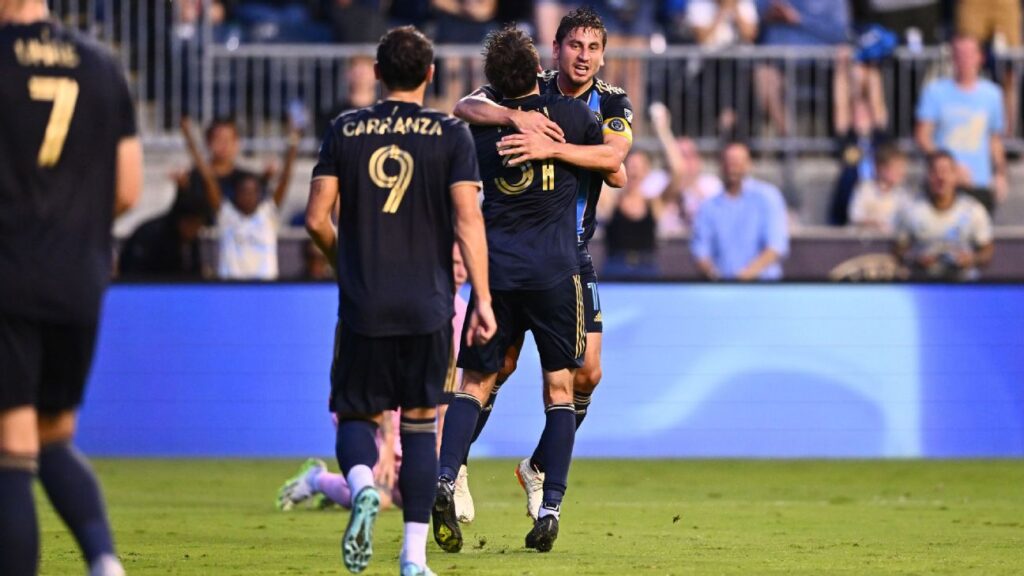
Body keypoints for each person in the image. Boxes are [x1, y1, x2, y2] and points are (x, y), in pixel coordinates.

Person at [304, 25, 494, 576]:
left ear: (377, 73)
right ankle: (413, 558)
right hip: (428, 305)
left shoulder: (345, 129)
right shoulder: (451, 134)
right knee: (419, 424)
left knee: (357, 413)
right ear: (430, 75)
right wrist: (482, 298)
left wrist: (346, 261)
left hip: (365, 302)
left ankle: (363, 485)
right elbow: (468, 220)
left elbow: (316, 219)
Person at [450, 5, 632, 522]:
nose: (584, 56)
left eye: (593, 48)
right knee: (499, 365)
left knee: (588, 374)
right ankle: (454, 467)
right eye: (575, 46)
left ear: (603, 55)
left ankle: (537, 467)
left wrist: (550, 147)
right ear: (556, 49)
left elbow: (614, 159)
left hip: (572, 252)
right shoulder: (531, 87)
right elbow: (465, 106)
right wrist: (515, 118)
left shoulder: (612, 101)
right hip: (518, 252)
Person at [0, 1, 143, 574]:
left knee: (12, 444)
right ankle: (104, 561)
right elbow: (129, 188)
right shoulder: (102, 66)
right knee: (53, 433)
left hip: (10, 272)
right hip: (78, 278)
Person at [276, 245, 471, 514]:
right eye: (453, 263)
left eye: (463, 264)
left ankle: (343, 487)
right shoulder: (409, 301)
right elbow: (385, 370)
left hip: (413, 413)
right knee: (381, 497)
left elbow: (448, 386)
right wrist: (388, 446)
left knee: (418, 493)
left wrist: (440, 447)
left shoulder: (461, 313)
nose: (459, 271)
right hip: (375, 401)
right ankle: (316, 479)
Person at [180, 116, 299, 280]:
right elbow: (208, 178)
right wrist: (189, 138)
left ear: (259, 195)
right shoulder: (227, 216)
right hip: (231, 288)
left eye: (252, 192)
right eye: (243, 192)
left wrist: (293, 141)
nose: (248, 196)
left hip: (265, 288)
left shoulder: (267, 214)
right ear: (235, 194)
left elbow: (285, 178)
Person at [915, 35, 1008, 215]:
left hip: (979, 183)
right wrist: (951, 168)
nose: (964, 59)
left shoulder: (993, 94)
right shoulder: (935, 91)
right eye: (959, 54)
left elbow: (995, 140)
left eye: (969, 54)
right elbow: (922, 136)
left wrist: (1000, 174)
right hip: (943, 184)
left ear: (980, 57)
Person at [691, 142, 790, 281]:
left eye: (738, 162)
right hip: (723, 288)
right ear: (721, 165)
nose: (733, 167)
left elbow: (776, 246)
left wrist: (744, 278)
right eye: (729, 162)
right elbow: (700, 250)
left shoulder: (767, 197)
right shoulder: (709, 206)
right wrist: (716, 277)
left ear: (749, 164)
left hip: (764, 287)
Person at [893, 150, 994, 280]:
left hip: (963, 283)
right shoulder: (911, 210)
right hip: (923, 282)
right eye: (935, 172)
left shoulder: (973, 210)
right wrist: (915, 258)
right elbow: (898, 250)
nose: (941, 178)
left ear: (955, 175)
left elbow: (987, 251)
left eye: (946, 171)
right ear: (927, 176)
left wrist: (972, 259)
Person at [118, 195, 206, 279]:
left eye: (199, 225)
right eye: (194, 224)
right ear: (182, 221)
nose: (196, 230)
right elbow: (134, 271)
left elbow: (194, 271)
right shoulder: (152, 235)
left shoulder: (191, 239)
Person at [847, 143, 912, 233]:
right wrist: (874, 224)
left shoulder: (902, 194)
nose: (901, 172)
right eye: (896, 168)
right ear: (880, 168)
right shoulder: (864, 189)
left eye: (902, 168)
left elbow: (908, 217)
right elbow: (855, 216)